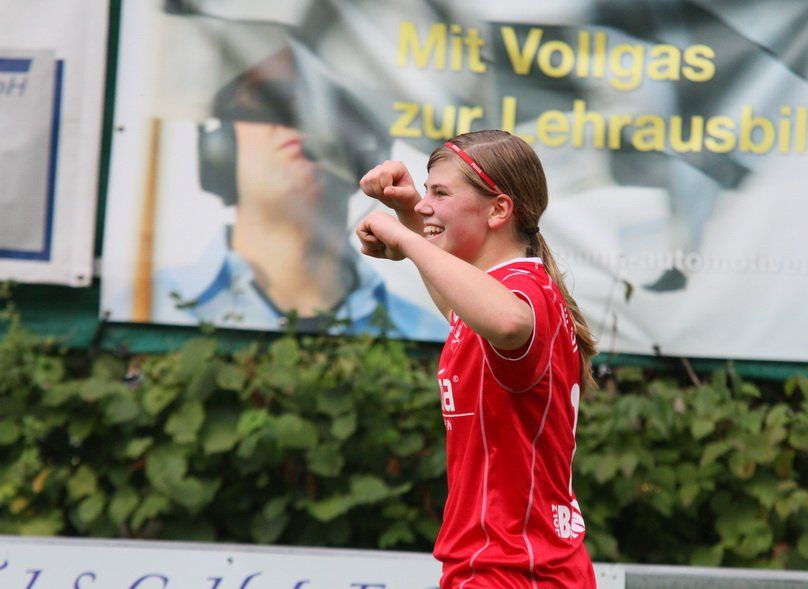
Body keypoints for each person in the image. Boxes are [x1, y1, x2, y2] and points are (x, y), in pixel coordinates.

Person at [357, 130, 598, 588]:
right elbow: (462, 307)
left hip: (512, 569)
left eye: (440, 193)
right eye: (427, 192)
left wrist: (405, 238)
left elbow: (506, 321)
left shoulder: (520, 294)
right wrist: (407, 213)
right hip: (513, 566)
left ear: (499, 210)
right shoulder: (502, 295)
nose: (426, 205)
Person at [146, 46, 449, 341]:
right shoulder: (148, 301)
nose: (298, 122)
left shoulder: (433, 330)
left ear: (366, 152)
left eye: (323, 106)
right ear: (219, 147)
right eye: (270, 102)